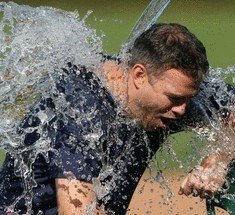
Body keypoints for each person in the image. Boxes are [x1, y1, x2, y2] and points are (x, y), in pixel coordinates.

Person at [0, 23, 233, 215]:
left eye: (188, 99)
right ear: (139, 75)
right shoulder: (81, 110)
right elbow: (78, 211)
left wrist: (217, 161)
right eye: (174, 98)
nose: (183, 110)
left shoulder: (165, 98)